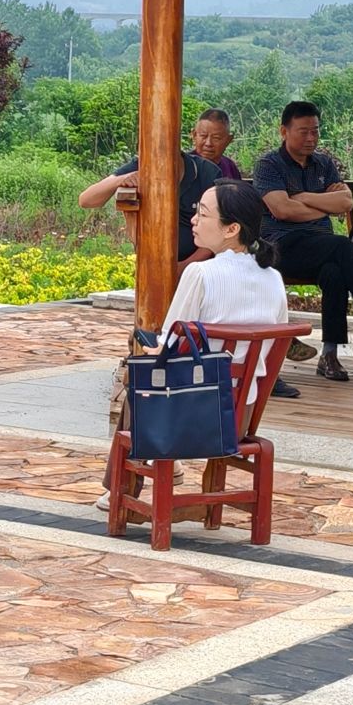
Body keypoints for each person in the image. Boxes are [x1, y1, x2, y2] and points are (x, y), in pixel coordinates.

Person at [95, 181, 293, 514]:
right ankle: (161, 471)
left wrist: (146, 346)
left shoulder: (200, 273)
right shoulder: (273, 277)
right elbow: (275, 343)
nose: (193, 220)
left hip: (189, 414)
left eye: (202, 213)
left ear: (231, 229)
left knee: (140, 376)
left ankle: (120, 489)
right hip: (239, 417)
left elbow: (168, 344)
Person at [252, 101, 353, 383]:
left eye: (315, 131)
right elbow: (282, 210)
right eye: (303, 132)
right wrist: (325, 205)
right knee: (342, 245)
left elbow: (345, 202)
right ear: (284, 131)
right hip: (282, 247)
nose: (311, 138)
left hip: (319, 246)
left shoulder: (324, 163)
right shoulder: (269, 165)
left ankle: (329, 355)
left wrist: (302, 198)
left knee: (334, 273)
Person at [79, 147, 220, 265]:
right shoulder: (140, 164)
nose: (158, 165)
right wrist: (122, 179)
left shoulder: (207, 172)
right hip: (151, 264)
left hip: (201, 266)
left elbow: (219, 230)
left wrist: (183, 268)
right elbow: (86, 200)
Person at [191, 109, 243, 181]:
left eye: (216, 138)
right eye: (203, 136)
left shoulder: (230, 166)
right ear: (194, 135)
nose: (208, 143)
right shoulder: (185, 165)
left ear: (228, 140)